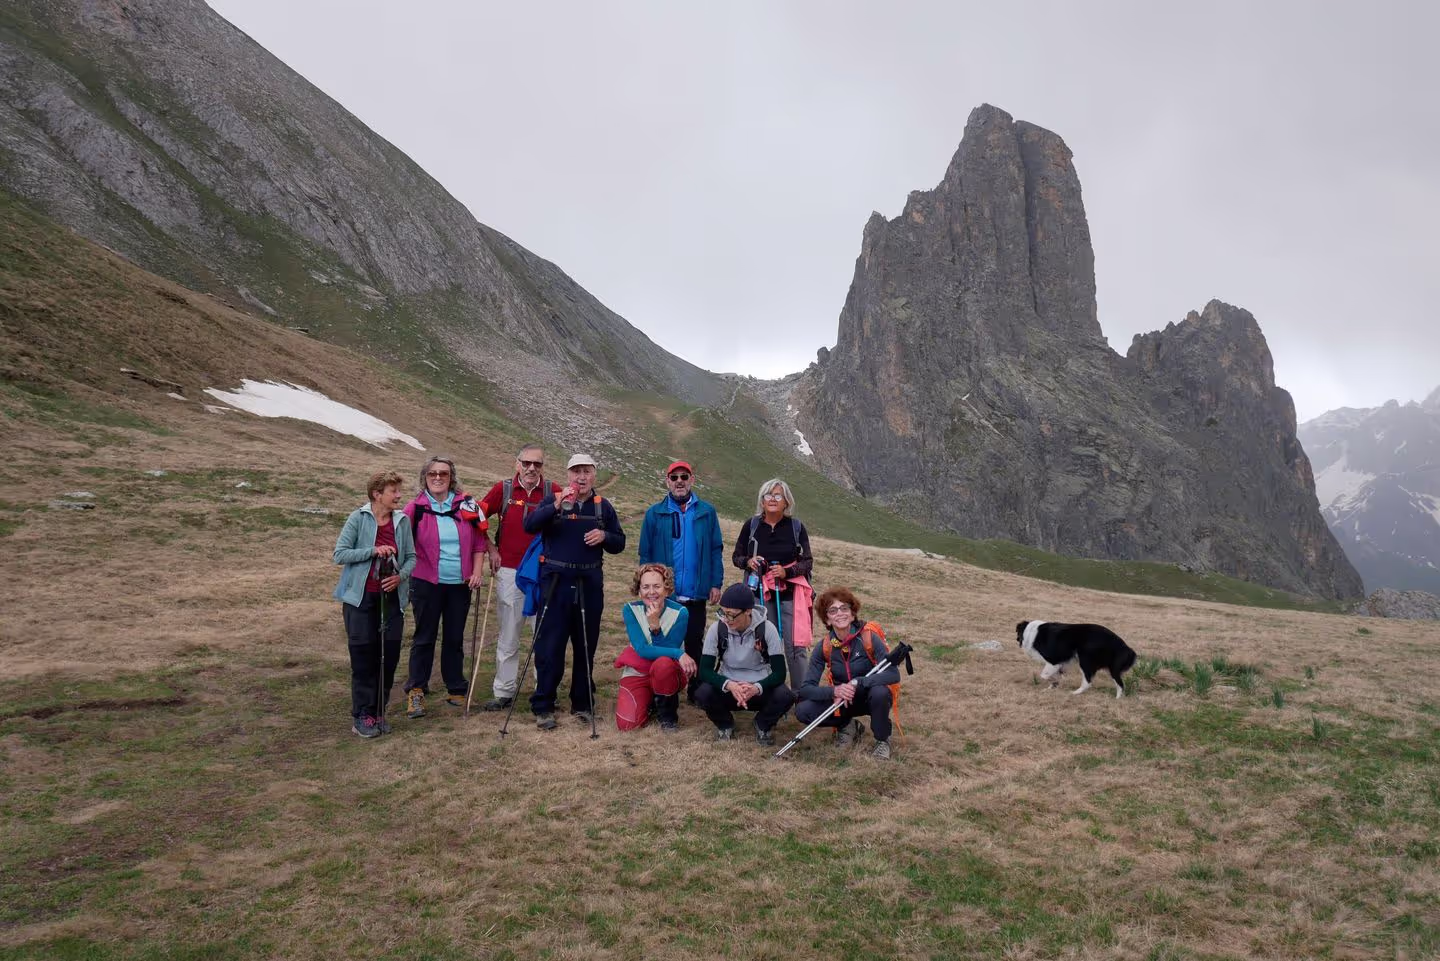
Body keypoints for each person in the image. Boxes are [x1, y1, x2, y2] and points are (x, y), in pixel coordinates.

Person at [522, 453, 626, 730]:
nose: (581, 477)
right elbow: (529, 526)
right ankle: (544, 705)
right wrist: (556, 505)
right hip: (555, 583)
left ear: (594, 475)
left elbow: (619, 543)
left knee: (585, 646)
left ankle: (582, 704)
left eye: (586, 471)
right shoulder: (553, 500)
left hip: (589, 583)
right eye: (576, 471)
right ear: (568, 475)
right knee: (550, 646)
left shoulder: (602, 506)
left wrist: (605, 536)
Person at [476, 444, 562, 711]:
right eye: (526, 463)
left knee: (543, 634)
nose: (531, 468)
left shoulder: (554, 491)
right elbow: (476, 518)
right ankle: (503, 691)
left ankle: (544, 690)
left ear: (543, 467)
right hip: (509, 571)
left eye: (537, 464)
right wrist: (491, 549)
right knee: (509, 633)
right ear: (517, 464)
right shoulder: (502, 490)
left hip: (544, 573)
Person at [401, 456, 488, 718]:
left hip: (459, 584)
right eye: (433, 474)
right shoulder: (414, 508)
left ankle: (456, 688)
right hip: (425, 583)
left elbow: (479, 541)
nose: (438, 478)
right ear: (424, 478)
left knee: (454, 637)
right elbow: (401, 541)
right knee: (424, 637)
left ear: (451, 478)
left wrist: (476, 572)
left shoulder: (467, 505)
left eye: (444, 473)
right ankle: (416, 690)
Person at [332, 470, 416, 738]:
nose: (399, 496)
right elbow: (340, 554)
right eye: (393, 491)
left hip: (391, 601)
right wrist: (373, 551)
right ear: (377, 494)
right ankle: (362, 715)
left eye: (398, 490)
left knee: (388, 657)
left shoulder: (402, 521)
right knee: (364, 658)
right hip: (360, 601)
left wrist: (400, 577)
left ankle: (379, 712)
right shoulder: (358, 518)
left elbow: (411, 558)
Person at [636, 459, 723, 704]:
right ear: (667, 482)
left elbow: (715, 549)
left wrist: (715, 583)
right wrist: (647, 588)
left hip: (696, 593)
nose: (679, 482)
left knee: (694, 642)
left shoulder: (706, 512)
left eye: (684, 477)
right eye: (674, 478)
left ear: (692, 480)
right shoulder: (655, 513)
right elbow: (645, 553)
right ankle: (663, 692)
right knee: (664, 643)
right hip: (666, 595)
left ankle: (696, 691)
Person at [795, 588, 899, 760]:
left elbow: (893, 674)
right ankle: (848, 726)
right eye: (833, 610)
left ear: (852, 614)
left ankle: (882, 740)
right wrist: (834, 691)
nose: (840, 614)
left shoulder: (869, 637)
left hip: (869, 698)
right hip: (842, 700)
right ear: (827, 619)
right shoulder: (824, 646)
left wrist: (858, 682)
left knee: (880, 692)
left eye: (844, 608)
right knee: (803, 710)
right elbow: (806, 689)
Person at [732, 478, 814, 693]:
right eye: (768, 495)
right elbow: (736, 556)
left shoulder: (796, 527)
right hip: (760, 595)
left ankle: (802, 695)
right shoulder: (751, 526)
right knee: (764, 643)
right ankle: (767, 693)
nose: (772, 499)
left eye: (778, 495)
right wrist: (748, 562)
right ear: (762, 500)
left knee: (796, 647)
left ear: (786, 502)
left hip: (791, 595)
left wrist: (787, 572)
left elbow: (807, 562)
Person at [694, 582, 795, 745]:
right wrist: (729, 685)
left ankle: (762, 724)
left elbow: (780, 673)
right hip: (729, 687)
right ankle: (725, 724)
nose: (726, 619)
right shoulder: (717, 629)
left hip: (758, 688)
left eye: (731, 615)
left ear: (748, 611)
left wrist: (757, 687)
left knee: (785, 696)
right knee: (702, 693)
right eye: (723, 613)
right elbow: (705, 671)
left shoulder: (768, 629)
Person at [614, 563, 695, 731]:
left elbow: (667, 654)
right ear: (639, 590)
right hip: (638, 670)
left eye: (657, 586)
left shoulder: (681, 613)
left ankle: (667, 714)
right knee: (627, 725)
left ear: (667, 589)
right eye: (645, 587)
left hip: (666, 671)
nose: (651, 592)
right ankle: (649, 701)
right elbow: (642, 649)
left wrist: (655, 627)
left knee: (663, 663)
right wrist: (679, 653)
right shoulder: (630, 610)